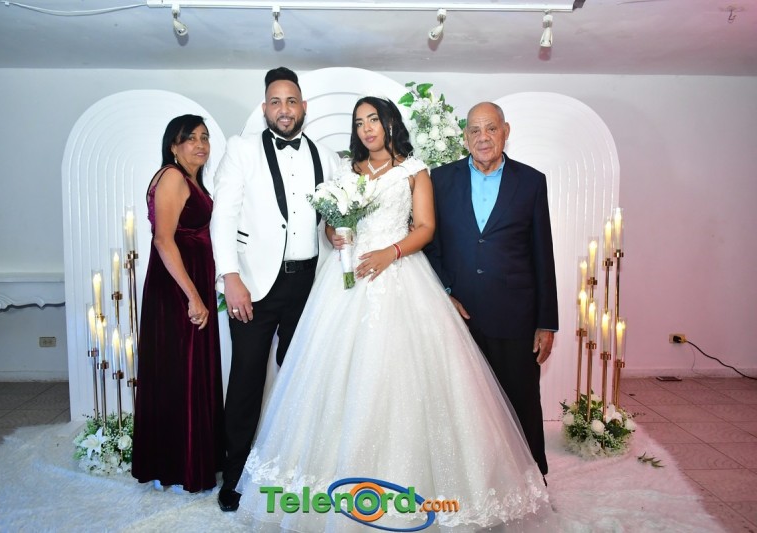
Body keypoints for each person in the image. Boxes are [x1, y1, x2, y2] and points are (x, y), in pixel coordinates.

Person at [233, 97, 550, 532]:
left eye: (374, 120)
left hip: (401, 276)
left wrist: (391, 252)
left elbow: (426, 228)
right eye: (359, 122)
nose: (367, 128)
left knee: (408, 381)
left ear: (389, 124)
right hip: (346, 286)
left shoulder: (414, 171)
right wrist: (335, 231)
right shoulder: (347, 172)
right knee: (338, 381)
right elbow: (331, 225)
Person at [210, 67, 341, 512]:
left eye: (291, 101)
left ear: (303, 107)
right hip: (253, 285)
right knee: (246, 379)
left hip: (308, 284)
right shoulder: (241, 149)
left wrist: (337, 233)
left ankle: (294, 466)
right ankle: (234, 474)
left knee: (301, 377)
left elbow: (333, 220)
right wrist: (230, 277)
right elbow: (223, 216)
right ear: (264, 107)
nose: (284, 110)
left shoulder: (327, 157)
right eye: (275, 102)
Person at [425, 101, 558, 478]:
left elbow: (542, 253)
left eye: (491, 128)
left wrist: (546, 322)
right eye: (475, 130)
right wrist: (444, 292)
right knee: (463, 405)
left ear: (506, 131)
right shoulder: (440, 179)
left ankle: (532, 478)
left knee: (521, 401)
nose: (483, 137)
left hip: (515, 315)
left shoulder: (531, 181)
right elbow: (430, 245)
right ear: (464, 137)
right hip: (459, 315)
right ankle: (471, 479)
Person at [132, 114, 224, 493]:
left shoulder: (190, 179)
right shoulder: (172, 176)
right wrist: (193, 296)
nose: (200, 144)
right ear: (173, 145)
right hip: (177, 289)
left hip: (188, 283)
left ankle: (187, 458)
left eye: (204, 137)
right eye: (190, 138)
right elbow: (163, 240)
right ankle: (180, 464)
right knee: (181, 373)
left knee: (185, 373)